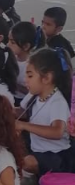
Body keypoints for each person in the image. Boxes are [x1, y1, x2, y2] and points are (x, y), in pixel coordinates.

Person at [17, 48, 72, 177]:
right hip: (37, 150)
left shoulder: (57, 101)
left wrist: (23, 125)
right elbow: (21, 112)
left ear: (47, 78)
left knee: (27, 162)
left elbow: (57, 132)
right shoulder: (34, 95)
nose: (26, 80)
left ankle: (39, 180)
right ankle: (35, 180)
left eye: (30, 75)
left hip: (57, 156)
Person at [8, 21, 38, 96]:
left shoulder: (32, 66)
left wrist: (15, 86)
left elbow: (33, 91)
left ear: (26, 46)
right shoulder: (10, 57)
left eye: (12, 42)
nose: (8, 45)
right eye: (8, 40)